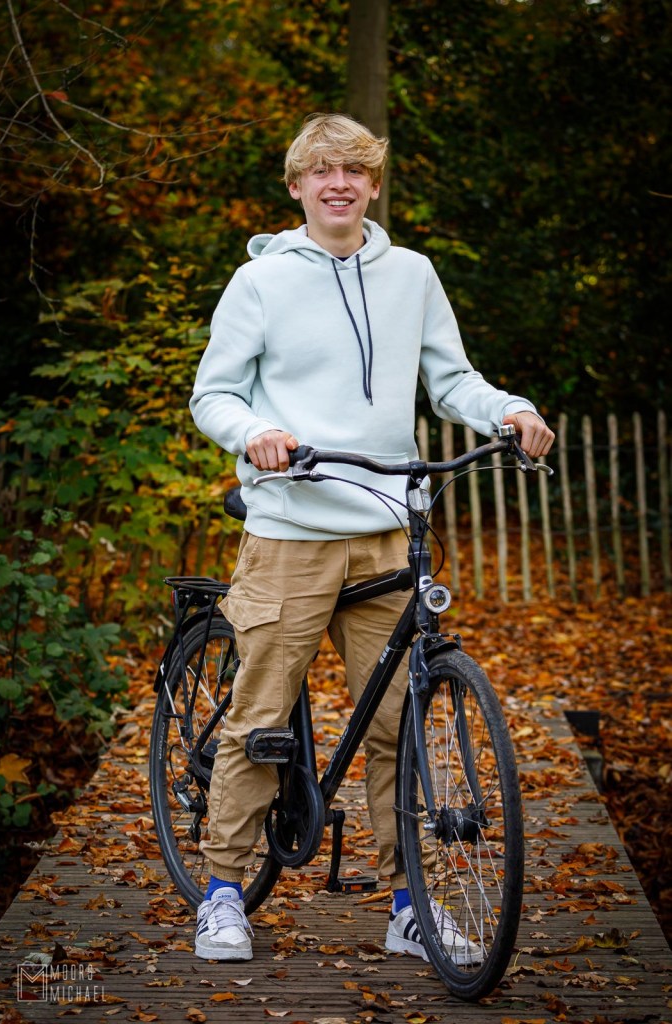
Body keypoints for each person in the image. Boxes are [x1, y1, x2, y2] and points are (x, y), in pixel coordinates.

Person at [189, 112, 554, 964]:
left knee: (397, 727)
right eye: (321, 171)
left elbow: (450, 379)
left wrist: (507, 409)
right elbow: (214, 394)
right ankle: (222, 893)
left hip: (388, 531)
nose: (339, 183)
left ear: (374, 184)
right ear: (296, 186)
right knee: (261, 715)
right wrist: (255, 433)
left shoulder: (411, 274)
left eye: (354, 170)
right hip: (291, 528)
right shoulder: (260, 282)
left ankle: (407, 904)